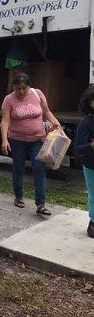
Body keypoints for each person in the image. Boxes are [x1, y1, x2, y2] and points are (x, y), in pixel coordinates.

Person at [0, 73, 60, 216]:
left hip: (37, 139)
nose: (21, 92)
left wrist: (55, 122)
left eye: (24, 88)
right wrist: (4, 140)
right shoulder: (9, 100)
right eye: (17, 88)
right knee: (18, 168)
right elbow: (5, 121)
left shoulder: (37, 94)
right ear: (13, 87)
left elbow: (46, 111)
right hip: (17, 140)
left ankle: (41, 204)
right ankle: (18, 196)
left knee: (39, 169)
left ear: (29, 86)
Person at [75, 88, 94, 238]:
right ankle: (93, 223)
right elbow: (78, 149)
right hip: (91, 164)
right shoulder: (86, 123)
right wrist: (91, 146)